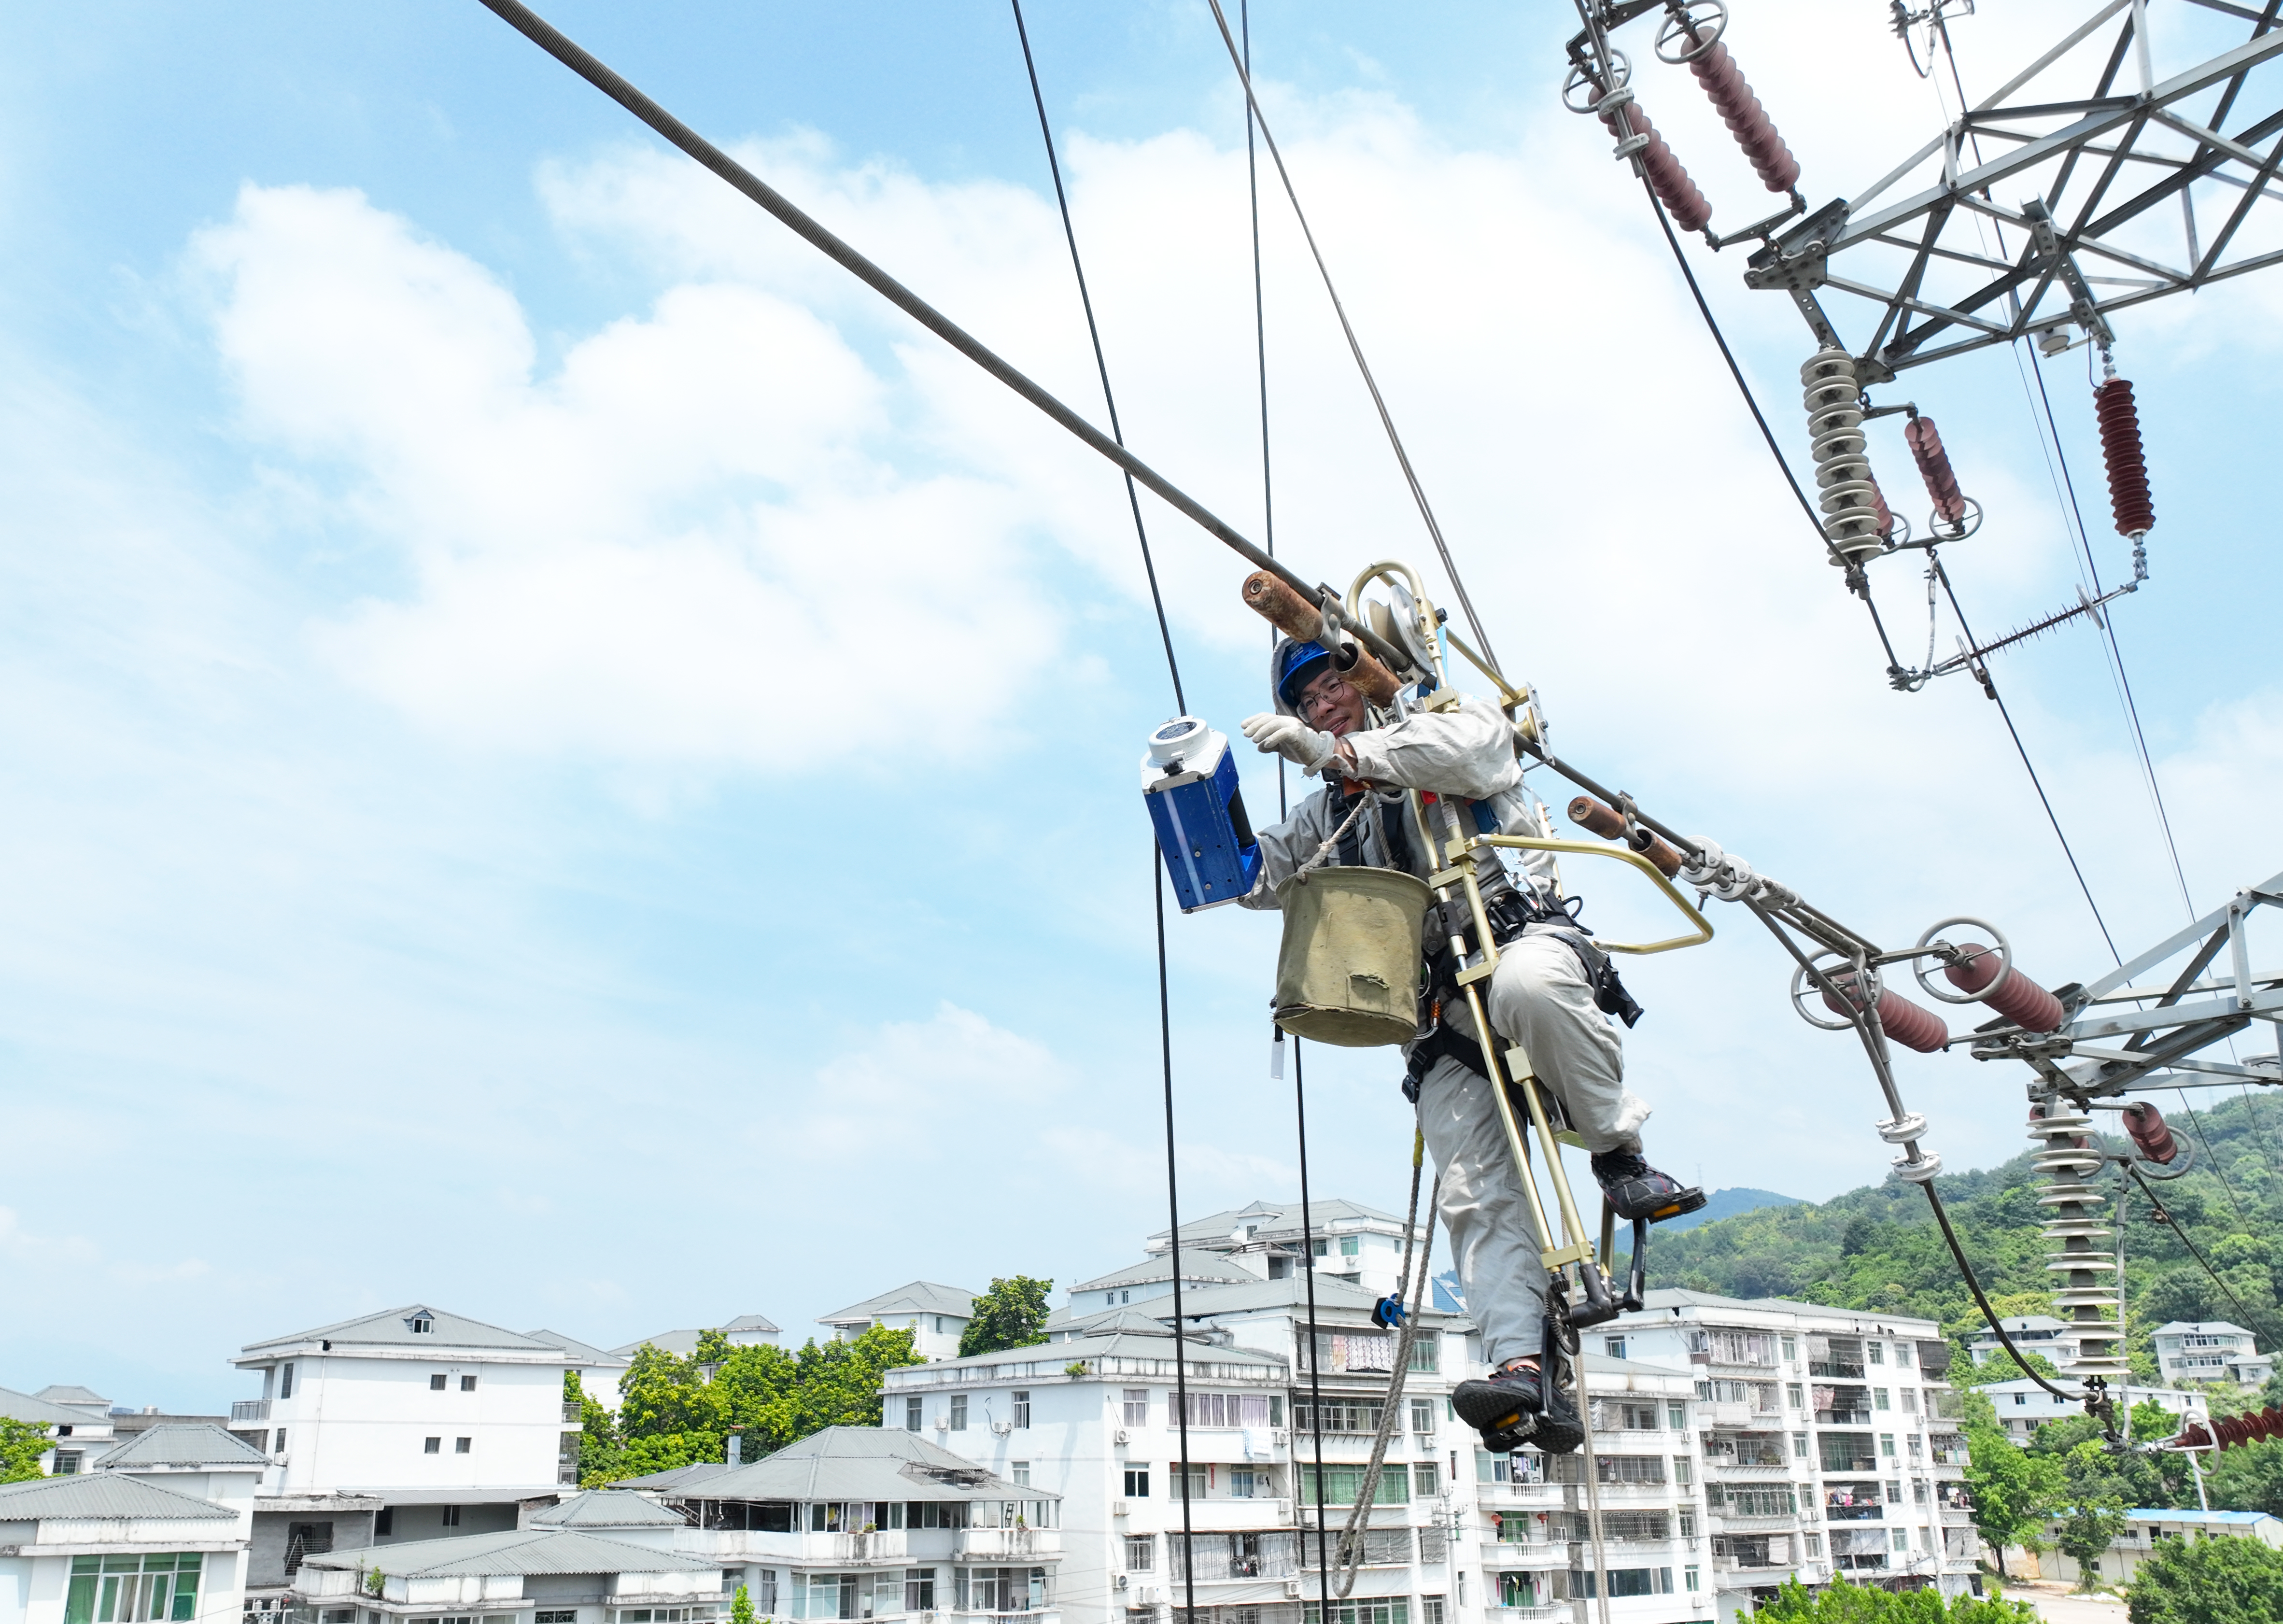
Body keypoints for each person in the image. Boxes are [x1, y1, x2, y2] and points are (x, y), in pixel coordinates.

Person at [1239, 636, 1703, 1454]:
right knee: (1472, 1185)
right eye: (1305, 703)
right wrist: (1188, 804)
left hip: (1521, 949)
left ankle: (1618, 1156)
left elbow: (1479, 749)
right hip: (1440, 1018)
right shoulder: (1327, 816)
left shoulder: (1446, 728)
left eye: (1330, 688)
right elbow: (1249, 878)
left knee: (1530, 986)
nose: (1321, 707)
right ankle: (1522, 1362)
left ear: (1367, 679)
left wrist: (1342, 750)